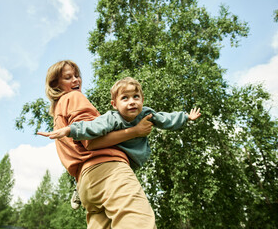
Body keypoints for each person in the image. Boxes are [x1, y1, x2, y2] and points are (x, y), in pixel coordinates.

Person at [39, 60, 157, 229]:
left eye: (77, 76)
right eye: (68, 77)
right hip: (108, 171)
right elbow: (91, 142)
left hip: (86, 184)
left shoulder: (58, 115)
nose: (76, 80)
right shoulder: (74, 97)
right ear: (55, 85)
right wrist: (136, 131)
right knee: (138, 222)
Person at [38, 77, 201, 169]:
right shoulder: (112, 118)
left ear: (142, 100)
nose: (132, 102)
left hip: (135, 161)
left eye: (136, 97)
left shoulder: (146, 114)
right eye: (125, 98)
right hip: (115, 158)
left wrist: (186, 117)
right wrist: (69, 130)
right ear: (115, 104)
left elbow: (166, 119)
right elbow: (92, 127)